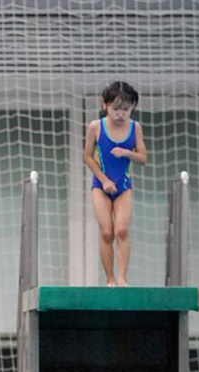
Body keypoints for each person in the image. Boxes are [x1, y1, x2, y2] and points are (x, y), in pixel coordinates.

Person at [83, 81, 147, 287]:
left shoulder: (135, 128)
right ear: (105, 106)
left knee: (122, 231)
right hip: (100, 186)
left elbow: (143, 158)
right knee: (107, 232)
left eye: (126, 109)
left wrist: (127, 153)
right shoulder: (96, 127)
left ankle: (122, 278)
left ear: (132, 109)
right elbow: (87, 158)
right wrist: (104, 180)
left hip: (123, 187)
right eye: (116, 108)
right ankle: (110, 278)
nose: (121, 114)